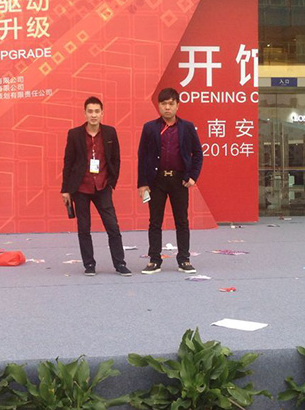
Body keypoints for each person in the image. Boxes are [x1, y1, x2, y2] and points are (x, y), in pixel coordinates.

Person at [61, 96, 131, 277]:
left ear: (102, 113)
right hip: (80, 188)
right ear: (85, 113)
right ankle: (89, 264)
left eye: (97, 111)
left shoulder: (110, 133)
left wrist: (112, 182)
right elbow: (68, 162)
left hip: (103, 186)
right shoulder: (74, 134)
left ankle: (120, 263)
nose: (93, 115)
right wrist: (65, 189)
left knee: (112, 227)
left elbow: (116, 159)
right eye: (90, 111)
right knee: (84, 228)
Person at [137, 87, 203, 274]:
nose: (167, 107)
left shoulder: (187, 127)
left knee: (182, 221)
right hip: (156, 181)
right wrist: (142, 183)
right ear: (159, 106)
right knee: (155, 222)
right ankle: (154, 260)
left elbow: (198, 153)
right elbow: (142, 156)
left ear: (177, 105)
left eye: (171, 104)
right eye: (164, 104)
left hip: (179, 180)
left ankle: (184, 259)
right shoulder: (150, 127)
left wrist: (193, 177)